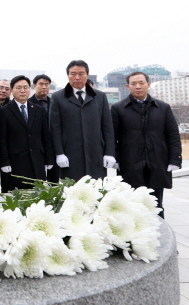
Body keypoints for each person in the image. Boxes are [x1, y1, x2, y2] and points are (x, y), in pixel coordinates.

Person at [111, 72, 182, 218]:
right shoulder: (118, 108)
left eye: (141, 83)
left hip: (157, 162)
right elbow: (112, 137)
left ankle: (158, 236)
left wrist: (175, 159)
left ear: (148, 85)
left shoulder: (163, 108)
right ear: (127, 86)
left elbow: (173, 135)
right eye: (133, 83)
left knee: (155, 205)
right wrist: (115, 159)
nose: (138, 86)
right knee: (131, 205)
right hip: (129, 163)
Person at [50, 60, 115, 181]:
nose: (77, 77)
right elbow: (55, 127)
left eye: (81, 73)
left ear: (87, 75)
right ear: (68, 75)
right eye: (73, 74)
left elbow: (107, 127)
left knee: (96, 193)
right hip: (69, 155)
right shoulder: (58, 97)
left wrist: (109, 152)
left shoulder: (100, 96)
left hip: (96, 153)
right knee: (72, 193)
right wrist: (59, 153)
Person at [0, 75, 53, 190]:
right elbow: (1, 139)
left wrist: (49, 159)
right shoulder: (4, 111)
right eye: (18, 88)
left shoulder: (39, 110)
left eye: (25, 87)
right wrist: (4, 162)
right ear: (12, 90)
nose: (22, 90)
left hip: (37, 163)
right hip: (15, 164)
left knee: (37, 198)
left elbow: (45, 137)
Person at [28, 74, 59, 183]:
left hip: (54, 145)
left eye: (47, 84)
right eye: (41, 84)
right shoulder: (28, 103)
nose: (44, 87)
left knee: (54, 179)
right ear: (34, 86)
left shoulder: (55, 103)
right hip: (37, 146)